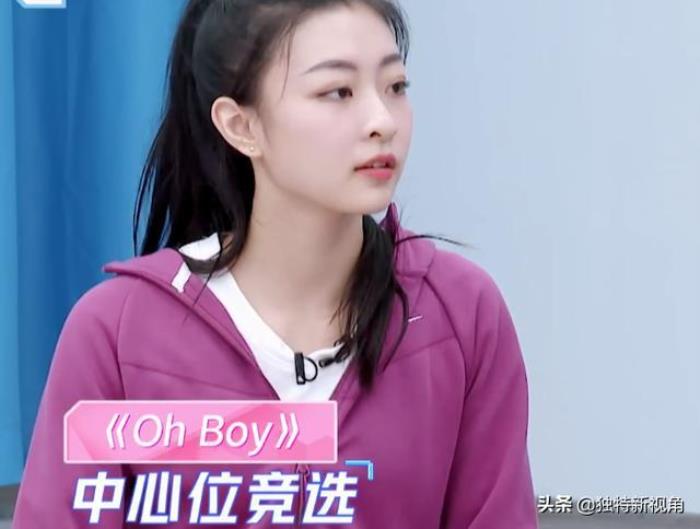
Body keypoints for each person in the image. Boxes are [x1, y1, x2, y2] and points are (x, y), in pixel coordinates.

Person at [12, 0, 539, 527]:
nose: (382, 121)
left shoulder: (459, 313)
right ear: (240, 125)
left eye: (395, 87)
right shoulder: (117, 333)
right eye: (338, 91)